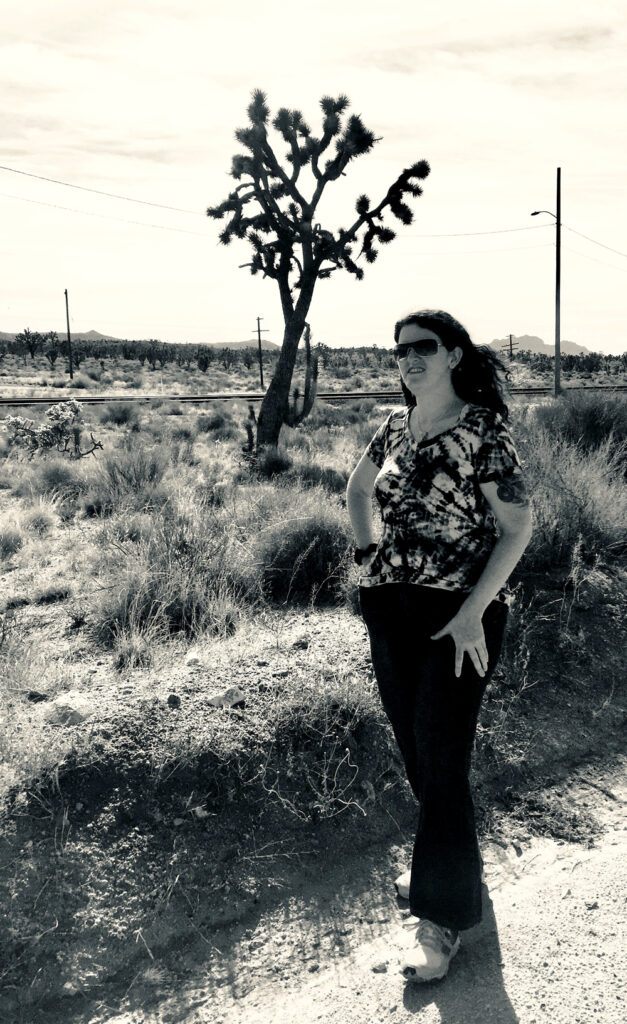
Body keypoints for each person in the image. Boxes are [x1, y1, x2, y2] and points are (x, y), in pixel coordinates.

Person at [346, 309, 533, 983]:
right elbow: (356, 491)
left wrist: (472, 613)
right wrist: (367, 555)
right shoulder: (394, 426)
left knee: (443, 755)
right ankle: (448, 865)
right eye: (399, 350)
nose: (408, 359)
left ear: (453, 354)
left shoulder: (482, 431)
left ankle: (443, 918)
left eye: (423, 347)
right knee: (417, 754)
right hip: (389, 608)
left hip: (458, 615)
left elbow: (517, 528)